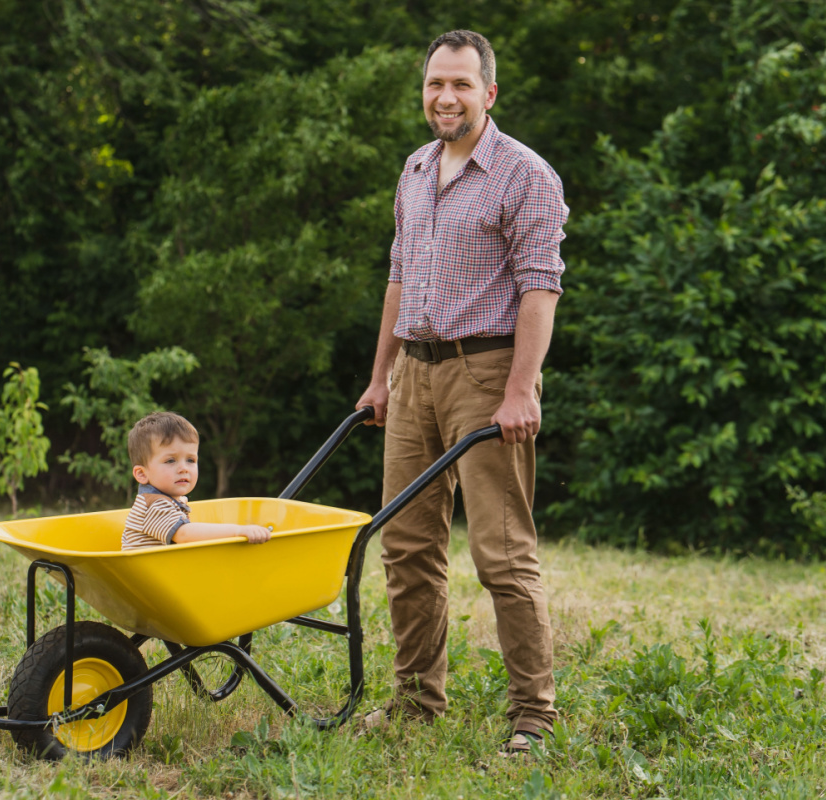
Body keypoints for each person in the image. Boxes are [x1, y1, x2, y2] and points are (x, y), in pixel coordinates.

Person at [355, 29, 568, 756]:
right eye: (434, 84)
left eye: (461, 85)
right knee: (407, 548)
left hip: (487, 376)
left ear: (489, 93)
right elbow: (398, 278)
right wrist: (380, 377)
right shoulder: (415, 169)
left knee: (501, 554)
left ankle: (533, 716)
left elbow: (541, 287)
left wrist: (520, 390)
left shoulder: (523, 174)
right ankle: (417, 701)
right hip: (414, 374)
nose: (445, 97)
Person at [121, 411, 272, 550]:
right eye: (170, 461)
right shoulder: (154, 504)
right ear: (141, 474)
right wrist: (238, 531)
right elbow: (185, 535)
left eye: (190, 460)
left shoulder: (170, 501)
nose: (183, 468)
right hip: (146, 575)